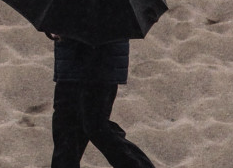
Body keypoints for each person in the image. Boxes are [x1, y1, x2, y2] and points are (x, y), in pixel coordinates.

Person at [47, 32, 155, 168]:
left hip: (100, 62)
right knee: (66, 131)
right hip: (70, 61)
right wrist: (55, 26)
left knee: (96, 127)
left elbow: (113, 20)